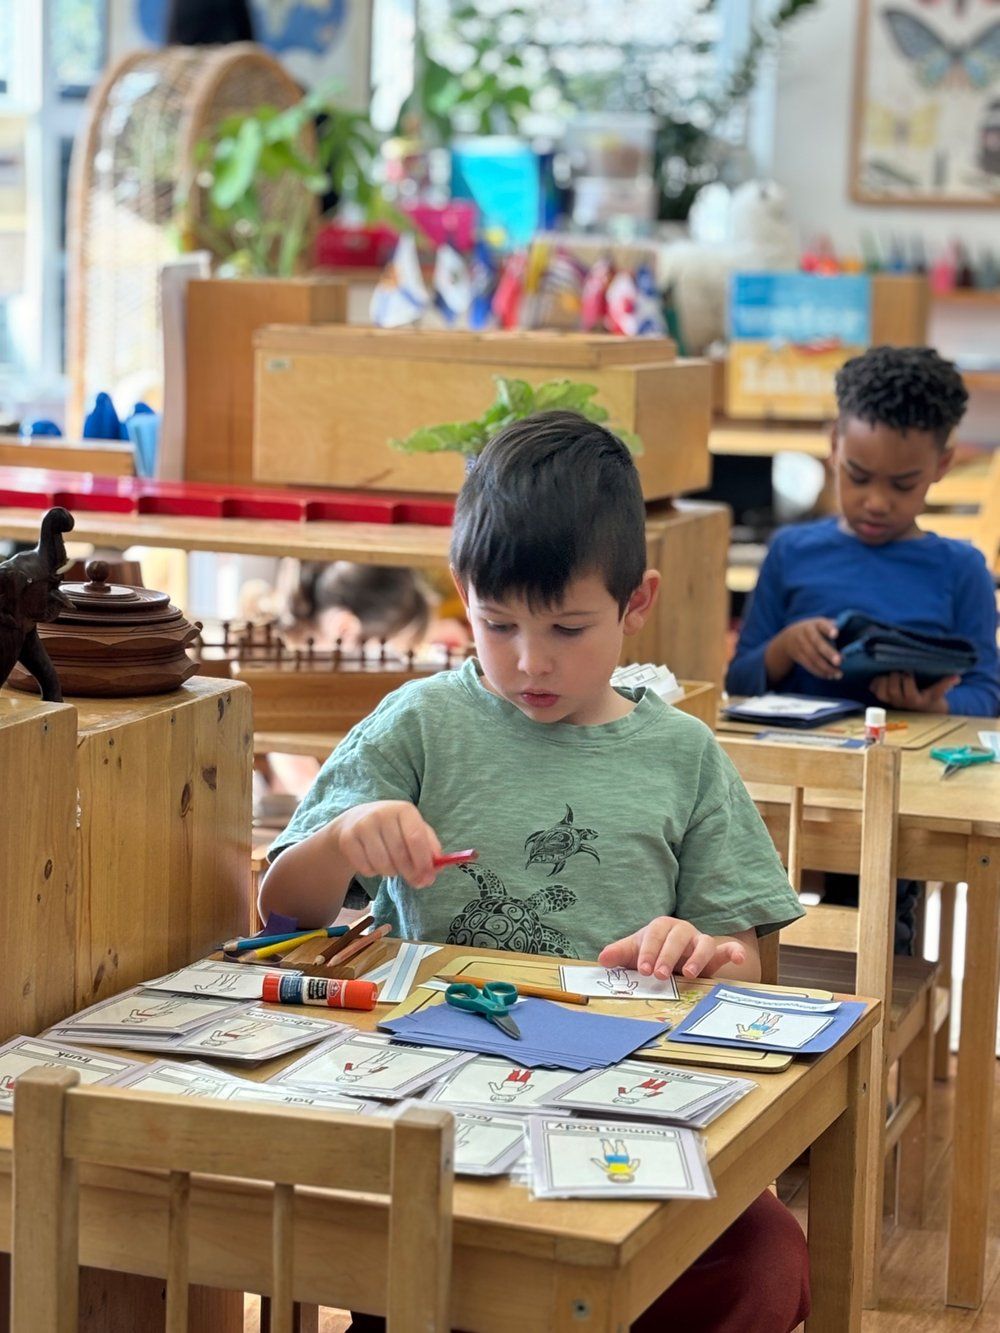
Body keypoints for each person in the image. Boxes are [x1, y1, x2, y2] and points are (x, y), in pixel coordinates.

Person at [261, 410, 809, 1333]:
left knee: (767, 1256)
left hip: (623, 1105)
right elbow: (282, 907)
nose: (528, 660)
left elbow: (751, 965)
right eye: (498, 622)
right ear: (459, 593)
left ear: (638, 602)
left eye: (567, 626)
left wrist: (702, 948)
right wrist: (342, 836)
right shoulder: (420, 724)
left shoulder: (682, 756)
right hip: (432, 1109)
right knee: (385, 1242)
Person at [726, 345, 999, 718]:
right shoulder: (790, 551)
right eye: (859, 477)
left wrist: (934, 704)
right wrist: (784, 648)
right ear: (835, 445)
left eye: (903, 485)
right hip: (803, 762)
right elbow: (737, 682)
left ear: (943, 464)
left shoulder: (963, 569)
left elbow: (987, 693)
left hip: (911, 762)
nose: (877, 502)